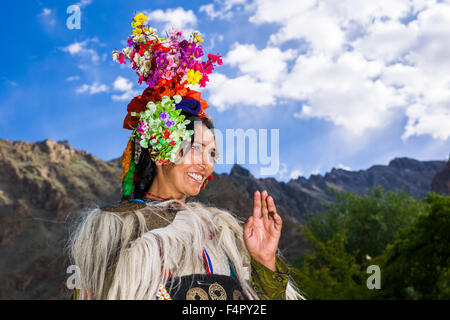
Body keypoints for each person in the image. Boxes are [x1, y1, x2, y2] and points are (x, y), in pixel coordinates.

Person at [69, 12, 304, 300]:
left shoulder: (223, 232)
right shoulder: (112, 227)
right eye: (194, 148)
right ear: (159, 149)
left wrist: (264, 263)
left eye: (212, 153)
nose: (205, 163)